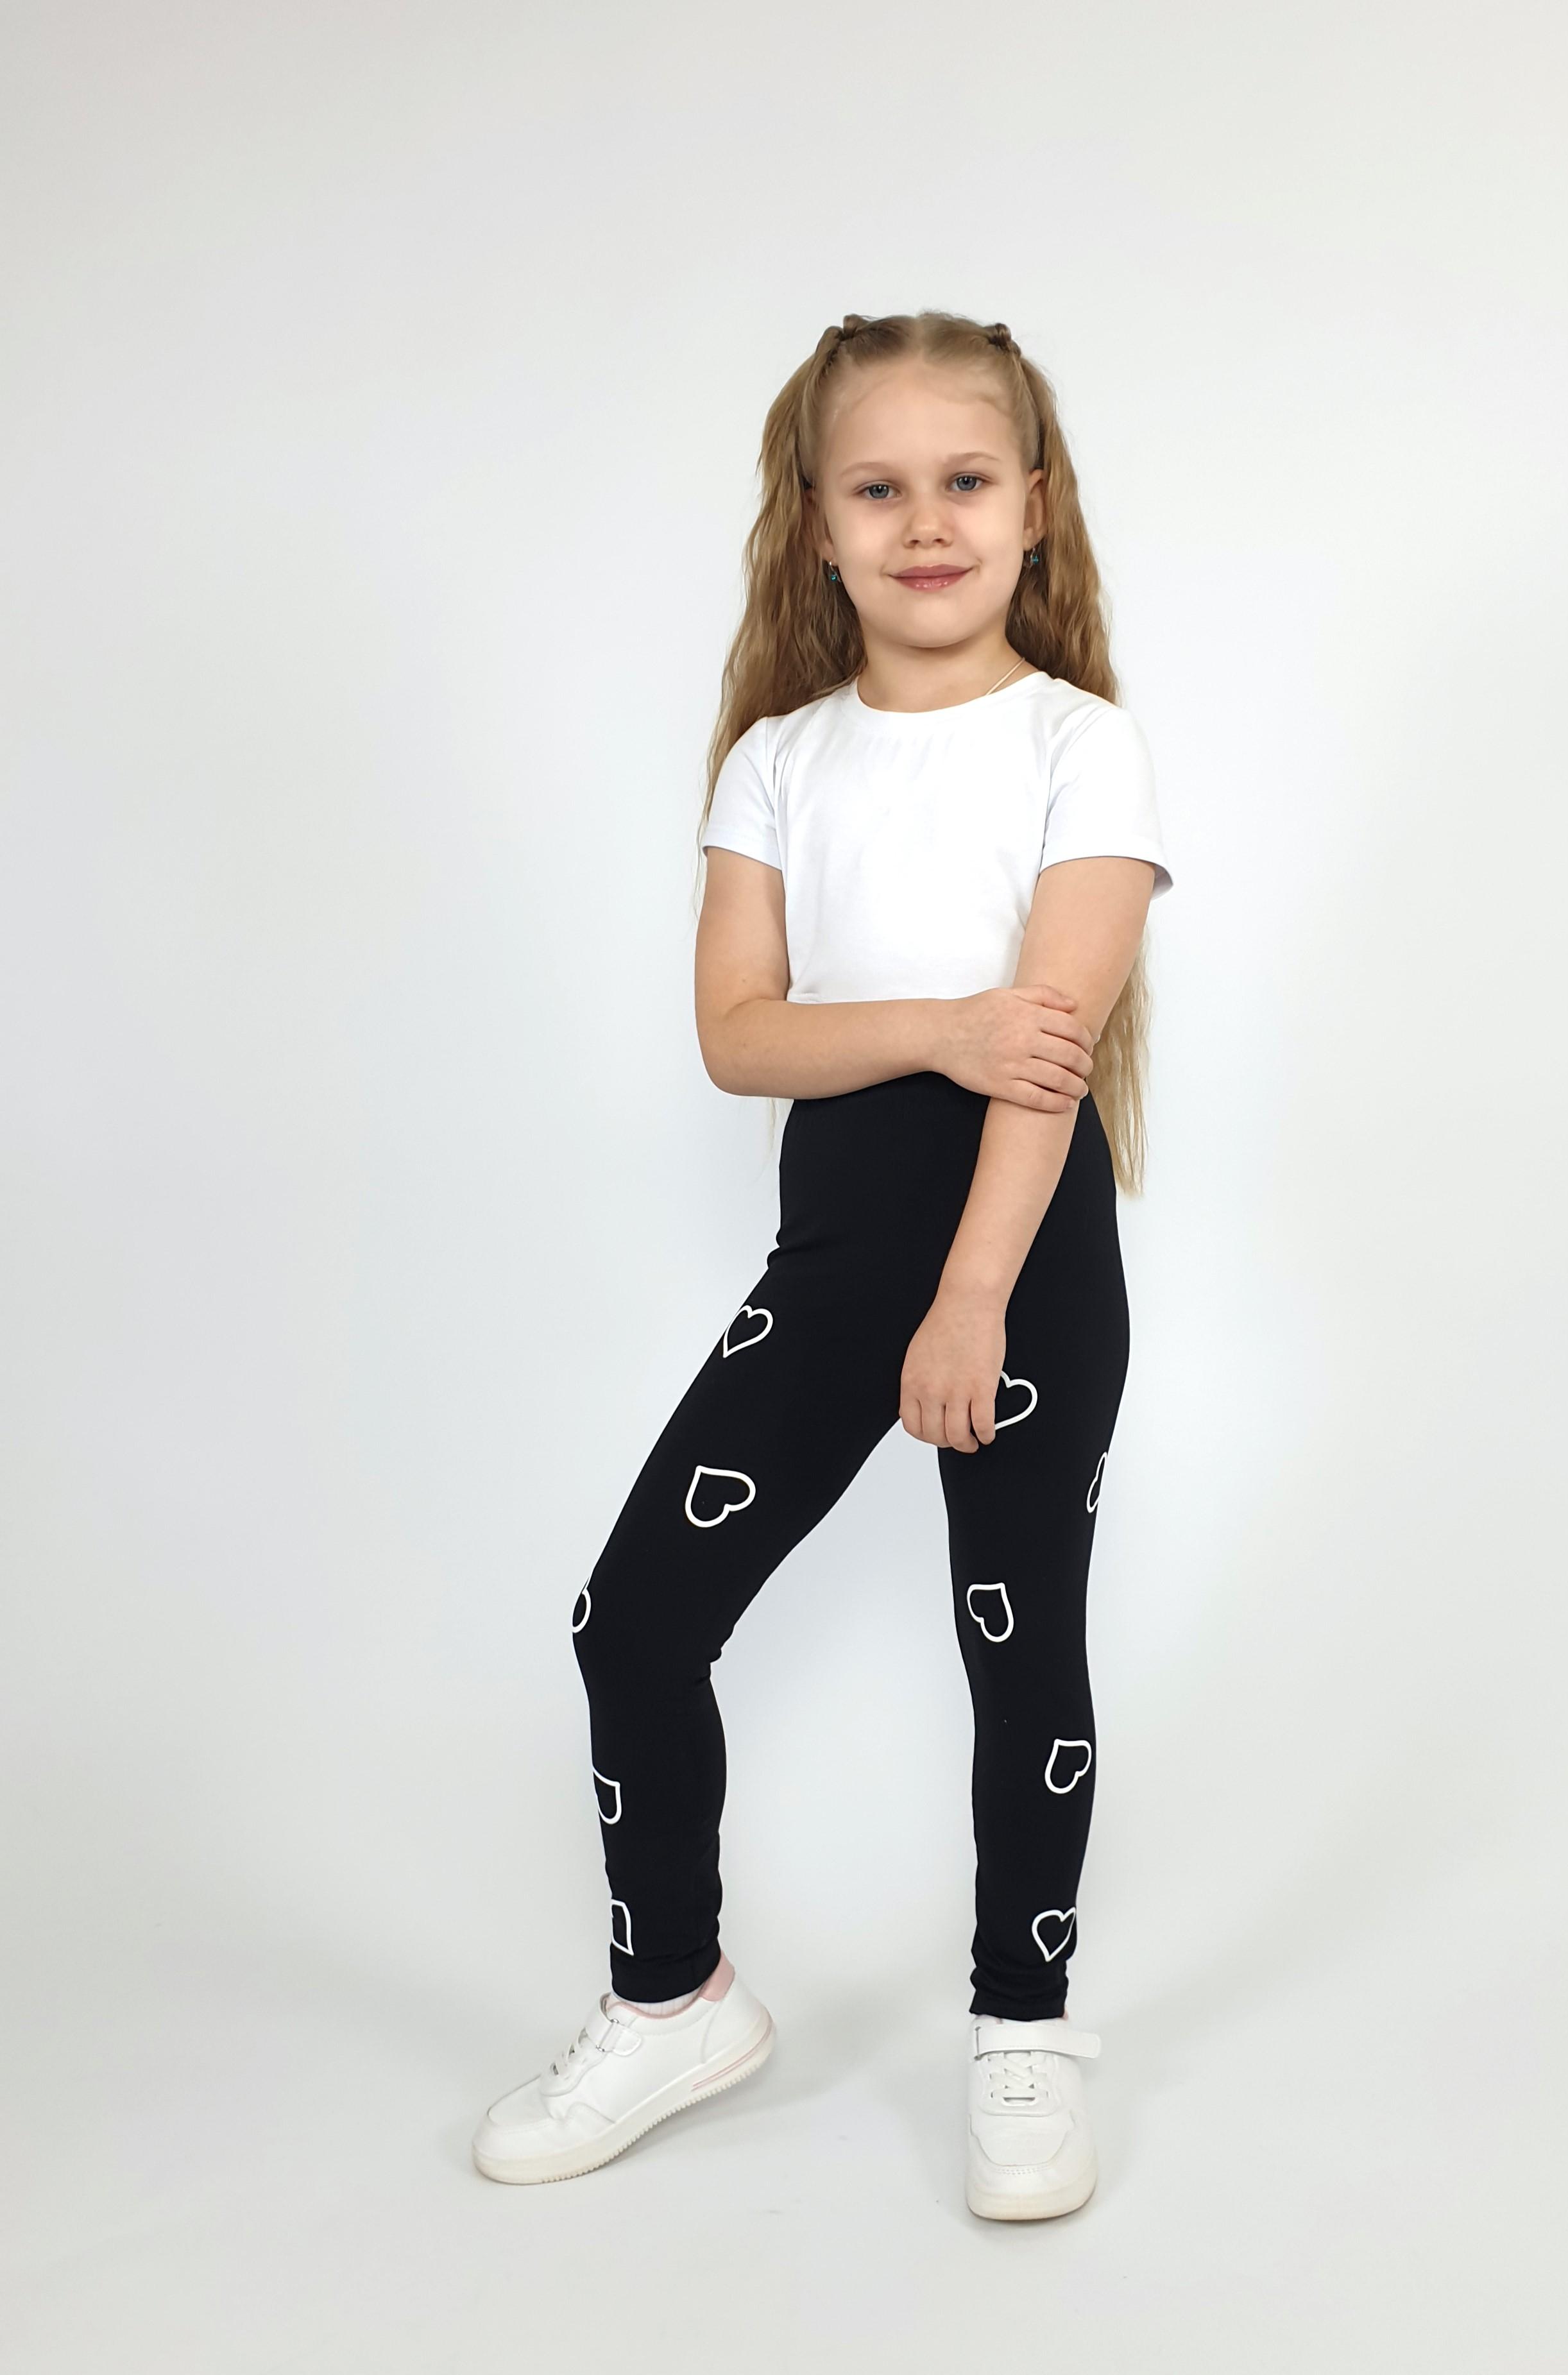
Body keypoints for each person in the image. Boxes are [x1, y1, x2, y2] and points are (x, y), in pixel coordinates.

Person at [471, 309, 1173, 2222]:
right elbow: (739, 1037)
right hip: (841, 1241)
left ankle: (1023, 2031)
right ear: (818, 520)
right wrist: (946, 1023)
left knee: (1017, 1647)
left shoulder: (1081, 746)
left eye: (966, 481)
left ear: (1035, 507)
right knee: (633, 1620)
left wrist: (972, 1298)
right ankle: (675, 1998)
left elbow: (1048, 1065)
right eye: (880, 487)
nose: (926, 522)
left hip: (1022, 1255)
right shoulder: (779, 762)